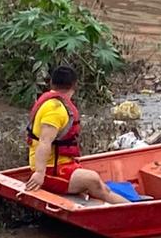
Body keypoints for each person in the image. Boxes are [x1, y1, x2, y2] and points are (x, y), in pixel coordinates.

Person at [25, 65, 127, 203]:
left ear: (51, 83)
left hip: (61, 166)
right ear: (74, 85)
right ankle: (136, 212)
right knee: (94, 180)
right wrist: (39, 173)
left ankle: (130, 206)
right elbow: (44, 142)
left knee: (102, 187)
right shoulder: (55, 109)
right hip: (51, 171)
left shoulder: (52, 103)